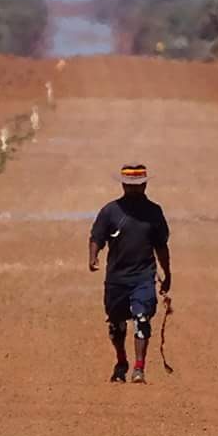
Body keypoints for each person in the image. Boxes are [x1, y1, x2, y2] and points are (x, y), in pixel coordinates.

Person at [89, 164, 172, 384]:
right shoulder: (110, 211)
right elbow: (97, 236)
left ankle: (139, 368)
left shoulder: (154, 212)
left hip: (143, 276)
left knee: (142, 319)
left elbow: (161, 245)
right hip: (116, 278)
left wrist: (167, 272)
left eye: (138, 186)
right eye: (130, 186)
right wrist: (93, 256)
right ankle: (121, 361)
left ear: (145, 185)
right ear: (123, 185)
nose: (134, 190)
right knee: (116, 324)